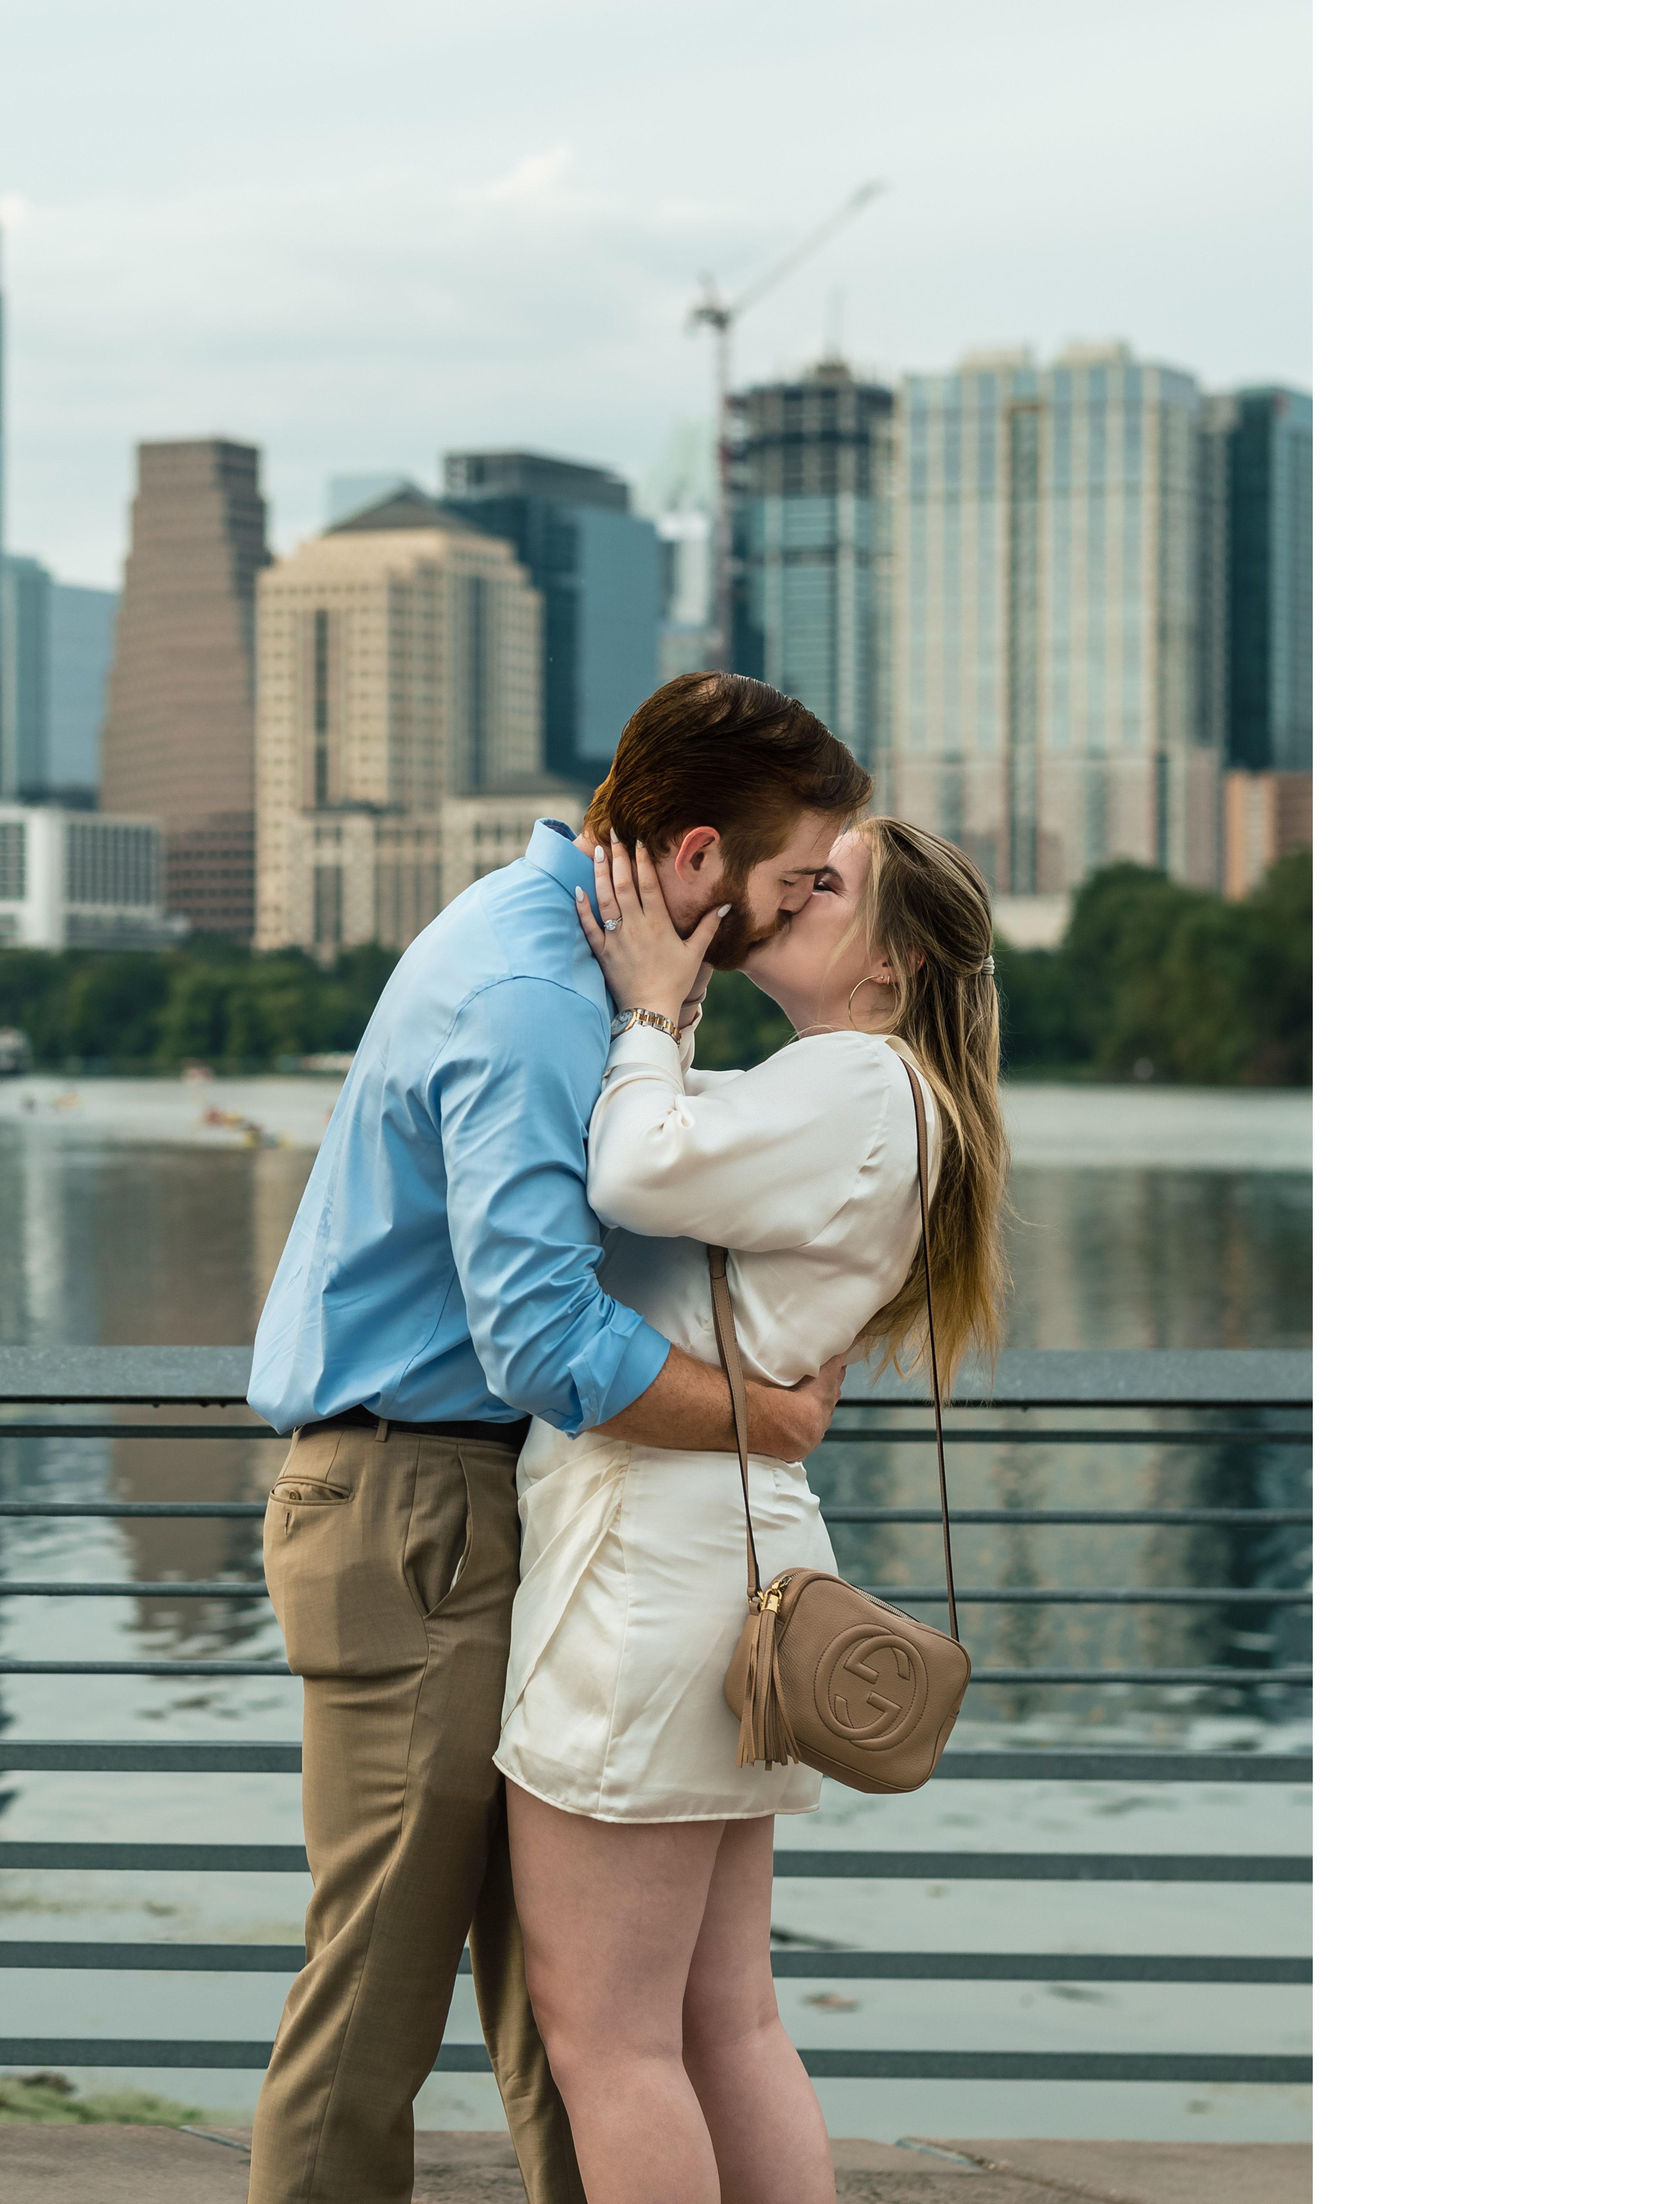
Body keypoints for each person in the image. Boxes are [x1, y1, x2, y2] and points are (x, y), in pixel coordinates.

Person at [243, 672, 872, 2204]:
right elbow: (538, 1334)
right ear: (703, 857)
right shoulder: (529, 984)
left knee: (580, 2020)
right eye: (793, 882)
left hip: (492, 1503)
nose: (798, 914)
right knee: (378, 2014)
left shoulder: (579, 963)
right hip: (416, 1502)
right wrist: (770, 1417)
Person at [497, 814, 1010, 2204]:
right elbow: (682, 1138)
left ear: (891, 965)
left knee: (608, 2038)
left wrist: (654, 1004)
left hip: (655, 1565)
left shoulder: (853, 1080)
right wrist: (667, 1011)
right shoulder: (874, 1093)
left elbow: (633, 1168)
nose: (792, 886)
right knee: (728, 2022)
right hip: (735, 1557)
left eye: (826, 883)